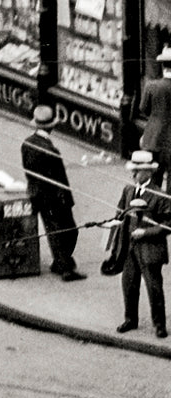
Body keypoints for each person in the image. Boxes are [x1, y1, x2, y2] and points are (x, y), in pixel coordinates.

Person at [21, 105, 86, 282]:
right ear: (51, 126)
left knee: (53, 230)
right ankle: (65, 267)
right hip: (55, 197)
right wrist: (67, 199)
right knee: (68, 231)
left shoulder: (27, 143)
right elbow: (60, 179)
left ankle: (60, 262)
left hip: (37, 194)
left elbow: (28, 170)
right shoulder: (51, 151)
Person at [114, 151, 171, 339]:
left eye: (137, 171)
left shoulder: (160, 196)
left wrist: (145, 232)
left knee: (154, 288)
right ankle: (130, 319)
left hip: (150, 249)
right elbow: (120, 212)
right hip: (130, 248)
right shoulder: (128, 190)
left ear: (148, 173)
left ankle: (160, 325)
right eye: (133, 171)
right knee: (129, 284)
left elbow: (167, 225)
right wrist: (113, 223)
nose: (133, 175)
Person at [139, 46, 171, 192]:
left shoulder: (152, 86)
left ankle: (152, 211)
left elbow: (143, 109)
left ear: (162, 66)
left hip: (153, 139)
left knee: (153, 180)